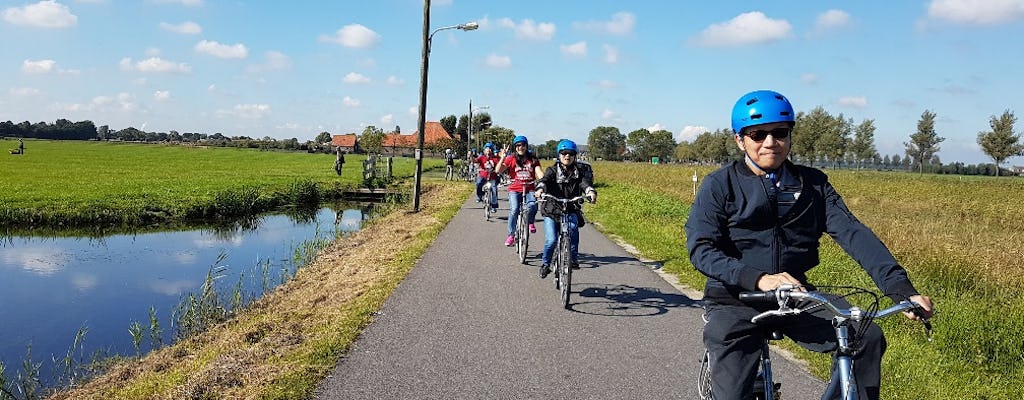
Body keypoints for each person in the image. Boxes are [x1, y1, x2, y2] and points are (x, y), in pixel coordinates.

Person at [685, 90, 934, 400]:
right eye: (758, 134)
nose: (770, 142)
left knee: (865, 335)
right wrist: (758, 278)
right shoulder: (720, 185)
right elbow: (702, 248)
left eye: (779, 132)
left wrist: (900, 287)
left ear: (790, 135)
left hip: (795, 296)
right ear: (740, 140)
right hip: (735, 298)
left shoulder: (813, 184)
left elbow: (853, 233)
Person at [535, 139, 596, 279]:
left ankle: (573, 259)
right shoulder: (552, 170)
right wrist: (540, 189)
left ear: (575, 156)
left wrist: (590, 192)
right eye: (564, 153)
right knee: (551, 240)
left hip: (570, 209)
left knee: (573, 229)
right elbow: (544, 180)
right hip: (552, 209)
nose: (567, 156)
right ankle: (545, 264)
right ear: (559, 155)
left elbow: (585, 184)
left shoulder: (579, 172)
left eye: (570, 154)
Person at [496, 135, 543, 247]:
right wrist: (503, 157)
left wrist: (544, 182)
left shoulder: (533, 159)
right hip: (515, 189)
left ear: (526, 146)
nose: (520, 147)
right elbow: (498, 170)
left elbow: (540, 173)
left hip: (530, 188)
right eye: (517, 145)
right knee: (514, 209)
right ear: (515, 147)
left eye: (522, 145)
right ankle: (511, 235)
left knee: (533, 205)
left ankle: (530, 222)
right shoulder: (511, 158)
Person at [475, 143, 501, 212]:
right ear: (484, 150)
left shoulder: (495, 158)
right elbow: (475, 161)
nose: (488, 150)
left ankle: (494, 206)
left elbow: (501, 164)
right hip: (483, 175)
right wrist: (471, 156)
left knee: (494, 189)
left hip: (492, 176)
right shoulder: (482, 157)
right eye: (487, 148)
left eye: (490, 149)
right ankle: (480, 196)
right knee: (478, 183)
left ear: (492, 150)